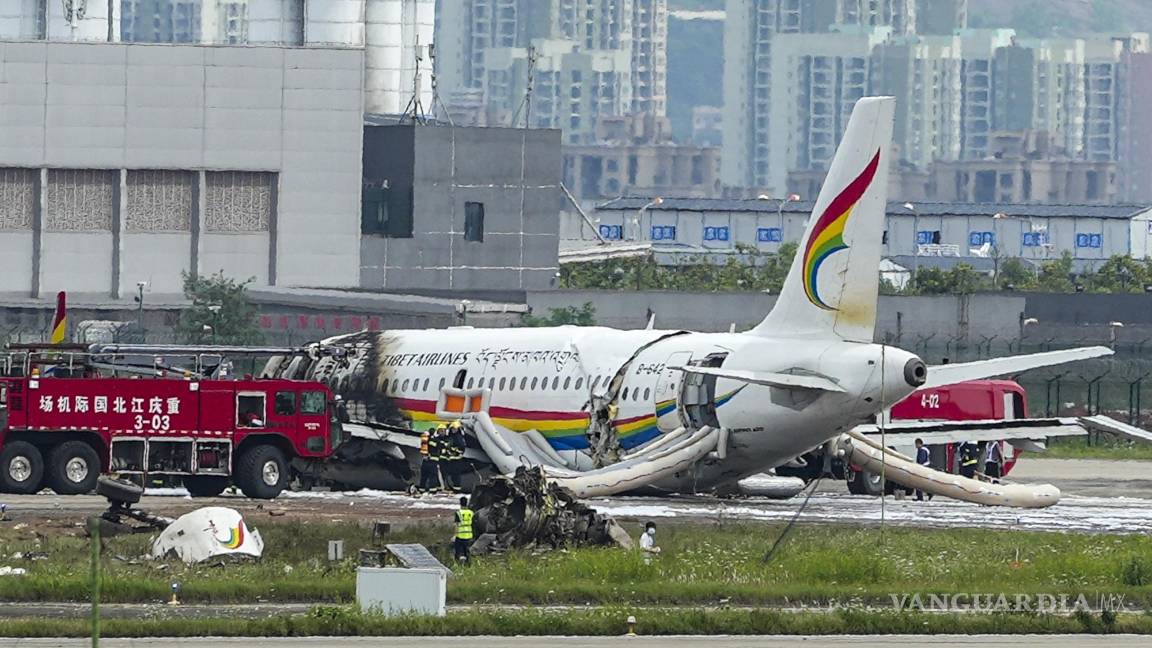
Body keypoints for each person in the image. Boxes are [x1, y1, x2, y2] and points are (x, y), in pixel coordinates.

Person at [445, 420, 466, 492]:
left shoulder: (459, 437)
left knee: (456, 475)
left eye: (455, 429)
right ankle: (454, 488)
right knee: (453, 475)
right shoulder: (451, 437)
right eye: (452, 429)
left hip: (457, 460)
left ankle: (457, 489)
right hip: (451, 459)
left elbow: (462, 448)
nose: (453, 430)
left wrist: (453, 450)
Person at [454, 496, 474, 563]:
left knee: (458, 552)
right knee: (467, 552)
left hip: (460, 535)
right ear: (467, 503)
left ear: (460, 503)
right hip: (469, 535)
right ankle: (468, 565)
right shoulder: (471, 513)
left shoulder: (458, 513)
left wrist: (455, 535)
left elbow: (457, 525)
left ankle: (458, 564)